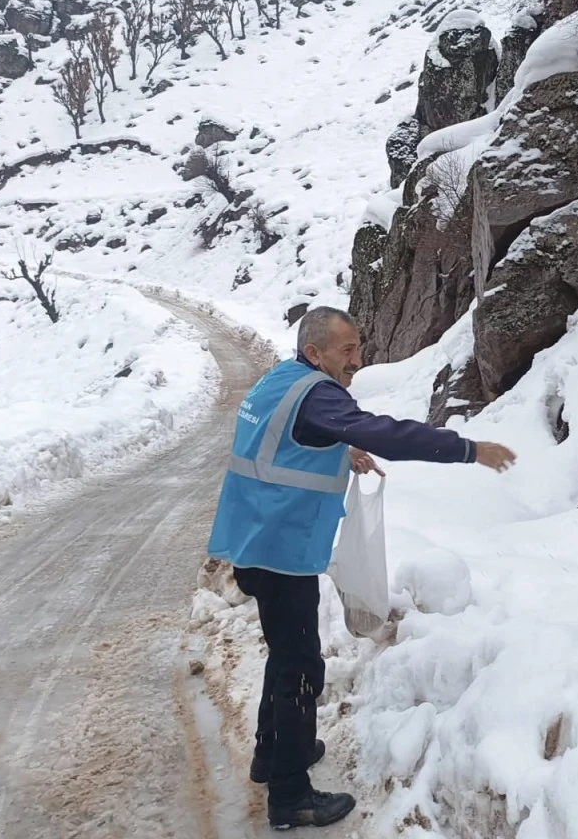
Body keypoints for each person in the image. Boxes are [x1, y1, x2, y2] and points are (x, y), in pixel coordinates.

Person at [207, 305, 516, 831]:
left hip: (251, 539)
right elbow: (385, 432)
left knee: (285, 657)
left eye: (358, 347)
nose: (358, 359)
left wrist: (337, 449)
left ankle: (274, 754)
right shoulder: (320, 395)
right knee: (301, 669)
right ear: (315, 353)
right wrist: (466, 449)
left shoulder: (281, 380)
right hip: (281, 553)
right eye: (347, 350)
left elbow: (286, 440)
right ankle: (290, 797)